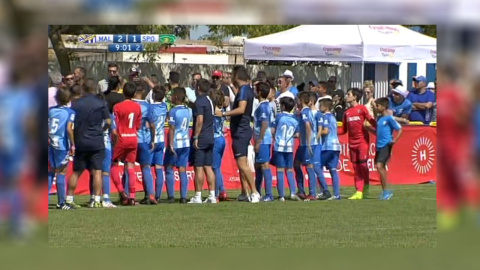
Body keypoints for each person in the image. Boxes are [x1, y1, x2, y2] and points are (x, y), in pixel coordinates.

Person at [215, 65, 260, 203]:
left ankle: (254, 192)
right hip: (241, 129)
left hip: (241, 130)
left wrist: (223, 113)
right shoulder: (245, 90)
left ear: (236, 76)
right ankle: (244, 192)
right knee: (242, 163)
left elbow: (241, 109)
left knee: (242, 164)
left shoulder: (244, 91)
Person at [67, 80, 111, 209]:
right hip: (96, 140)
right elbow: (108, 121)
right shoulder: (101, 103)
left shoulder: (75, 104)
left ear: (83, 89)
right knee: (97, 171)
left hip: (80, 140)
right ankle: (96, 200)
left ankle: (69, 198)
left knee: (76, 171)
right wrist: (101, 130)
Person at [340, 88, 377, 200]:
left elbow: (371, 121)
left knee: (362, 165)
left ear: (355, 97)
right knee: (356, 167)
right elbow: (343, 130)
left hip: (362, 142)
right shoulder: (346, 113)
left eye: (348, 94)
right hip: (352, 143)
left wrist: (379, 128)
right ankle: (360, 190)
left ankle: (361, 190)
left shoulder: (362, 109)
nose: (347, 96)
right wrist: (332, 133)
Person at [110, 82, 142, 206]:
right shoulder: (137, 107)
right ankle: (132, 196)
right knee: (131, 167)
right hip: (133, 137)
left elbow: (115, 125)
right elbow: (138, 125)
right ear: (134, 94)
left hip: (121, 138)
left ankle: (121, 191)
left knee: (113, 164)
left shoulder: (117, 107)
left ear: (123, 92)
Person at [189, 79, 216, 204]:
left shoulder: (200, 101)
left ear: (198, 87)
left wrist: (196, 136)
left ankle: (198, 196)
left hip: (202, 137)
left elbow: (200, 119)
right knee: (208, 167)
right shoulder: (210, 100)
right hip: (210, 136)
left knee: (198, 167)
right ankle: (212, 194)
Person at [48, 88, 75, 209]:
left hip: (50, 143)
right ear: (69, 99)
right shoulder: (70, 112)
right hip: (61, 145)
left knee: (50, 171)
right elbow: (69, 129)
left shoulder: (50, 110)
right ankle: (62, 202)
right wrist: (73, 144)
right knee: (61, 172)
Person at [371, 98, 403, 200]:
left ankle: (386, 191)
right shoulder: (379, 119)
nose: (376, 108)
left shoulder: (389, 118)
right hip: (379, 146)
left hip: (386, 145)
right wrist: (368, 129)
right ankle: (385, 190)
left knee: (380, 166)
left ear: (384, 107)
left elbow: (400, 129)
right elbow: (377, 132)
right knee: (380, 167)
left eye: (378, 106)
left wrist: (395, 140)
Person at [165, 87, 192, 204]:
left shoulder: (173, 111)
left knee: (169, 168)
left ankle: (171, 196)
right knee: (182, 168)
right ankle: (183, 197)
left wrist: (170, 144)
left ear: (175, 97)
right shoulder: (188, 110)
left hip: (176, 142)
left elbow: (171, 128)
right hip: (186, 142)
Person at [271, 97, 300, 201]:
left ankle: (281, 195)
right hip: (289, 148)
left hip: (279, 146)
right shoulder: (294, 119)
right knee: (289, 170)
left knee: (279, 170)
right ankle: (293, 192)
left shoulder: (279, 117)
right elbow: (297, 134)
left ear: (282, 106)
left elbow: (273, 130)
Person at [132, 84, 157, 205]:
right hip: (145, 140)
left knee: (129, 167)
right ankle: (150, 195)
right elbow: (152, 125)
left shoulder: (128, 104)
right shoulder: (147, 106)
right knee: (146, 167)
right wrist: (153, 139)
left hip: (131, 139)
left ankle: (129, 196)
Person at [292, 92, 319, 201]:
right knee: (296, 164)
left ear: (301, 100)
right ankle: (301, 191)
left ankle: (312, 193)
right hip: (304, 143)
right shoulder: (304, 111)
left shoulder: (305, 111)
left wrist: (308, 142)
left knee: (309, 166)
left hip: (308, 144)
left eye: (297, 99)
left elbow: (308, 126)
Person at [253, 82, 275, 201]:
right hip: (263, 139)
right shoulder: (265, 105)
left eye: (256, 90)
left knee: (264, 164)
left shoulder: (263, 106)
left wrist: (259, 140)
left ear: (260, 92)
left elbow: (265, 123)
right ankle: (257, 191)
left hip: (264, 139)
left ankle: (269, 194)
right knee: (259, 165)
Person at [148, 86, 168, 202]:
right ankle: (158, 195)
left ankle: (150, 195)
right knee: (159, 168)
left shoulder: (150, 107)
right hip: (161, 140)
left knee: (147, 168)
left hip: (153, 140)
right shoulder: (164, 106)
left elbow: (151, 125)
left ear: (154, 95)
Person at [319, 98, 341, 200]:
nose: (319, 108)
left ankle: (324, 191)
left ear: (326, 107)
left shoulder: (326, 116)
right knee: (333, 169)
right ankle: (336, 194)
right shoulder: (332, 117)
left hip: (328, 146)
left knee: (317, 167)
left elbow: (326, 131)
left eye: (320, 106)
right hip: (336, 145)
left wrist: (316, 133)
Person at [309, 92, 329, 200]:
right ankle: (313, 191)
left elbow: (321, 128)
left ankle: (325, 190)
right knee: (310, 167)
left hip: (315, 144)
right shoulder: (306, 113)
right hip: (308, 144)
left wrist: (315, 140)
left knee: (316, 167)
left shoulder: (318, 114)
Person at [210, 84, 228, 201]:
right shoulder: (222, 110)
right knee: (217, 167)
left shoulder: (214, 111)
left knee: (214, 167)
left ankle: (216, 194)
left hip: (215, 139)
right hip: (222, 138)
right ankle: (222, 191)